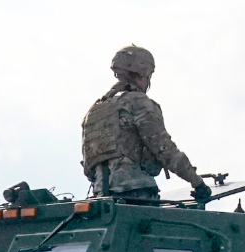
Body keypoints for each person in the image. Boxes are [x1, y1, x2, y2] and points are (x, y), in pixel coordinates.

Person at [81, 45, 212, 204]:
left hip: (102, 197)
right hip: (137, 192)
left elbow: (89, 166)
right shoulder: (138, 102)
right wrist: (197, 182)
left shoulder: (95, 111)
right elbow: (164, 149)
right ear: (143, 73)